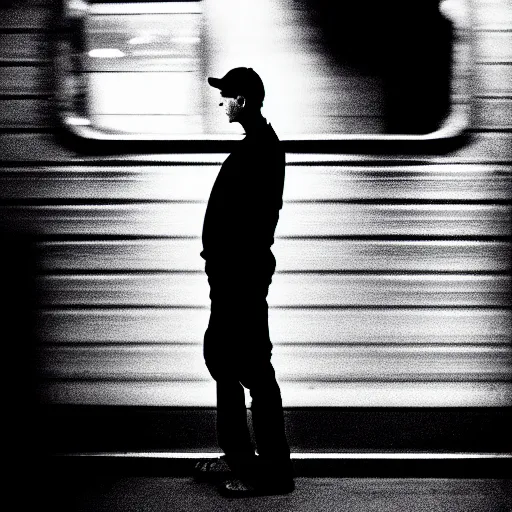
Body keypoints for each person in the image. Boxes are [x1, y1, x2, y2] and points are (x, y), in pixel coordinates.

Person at [193, 67, 294, 497]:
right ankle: (237, 455)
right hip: (230, 276)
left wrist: (229, 266)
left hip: (242, 278)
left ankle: (273, 471)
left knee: (252, 366)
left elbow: (253, 223)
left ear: (246, 101)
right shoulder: (256, 147)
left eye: (229, 96)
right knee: (222, 359)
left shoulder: (263, 151)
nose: (223, 103)